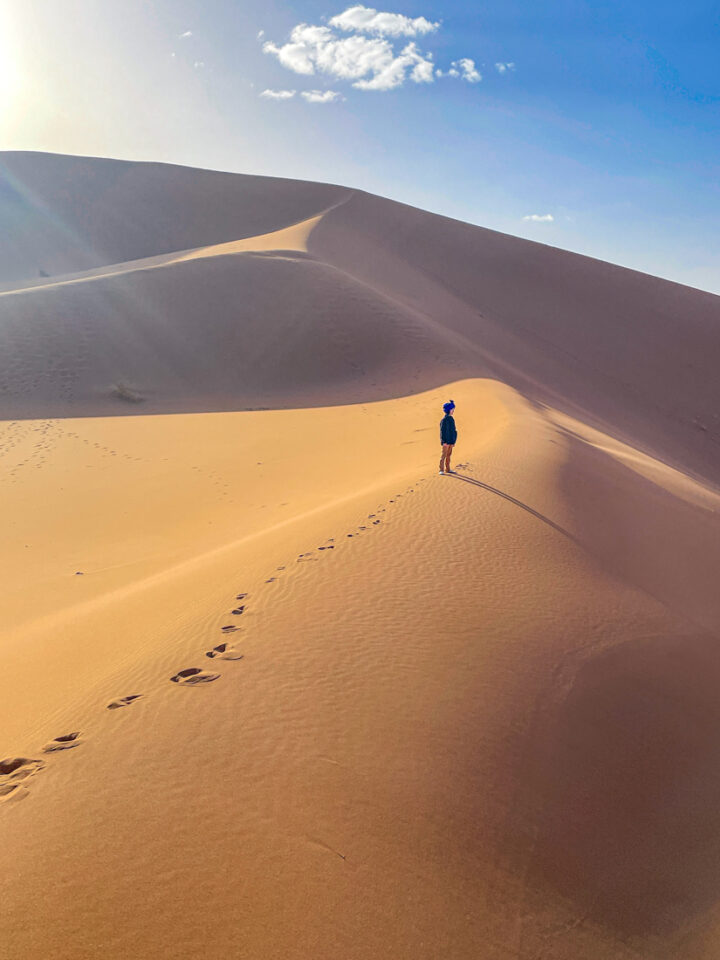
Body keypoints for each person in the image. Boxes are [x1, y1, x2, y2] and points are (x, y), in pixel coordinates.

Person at [439, 400, 457, 474]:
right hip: (446, 442)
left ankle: (448, 469)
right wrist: (443, 441)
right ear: (448, 410)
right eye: (452, 409)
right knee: (444, 455)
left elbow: (454, 431)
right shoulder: (444, 420)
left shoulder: (451, 419)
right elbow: (442, 432)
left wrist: (453, 441)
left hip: (451, 441)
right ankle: (441, 470)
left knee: (449, 455)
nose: (453, 411)